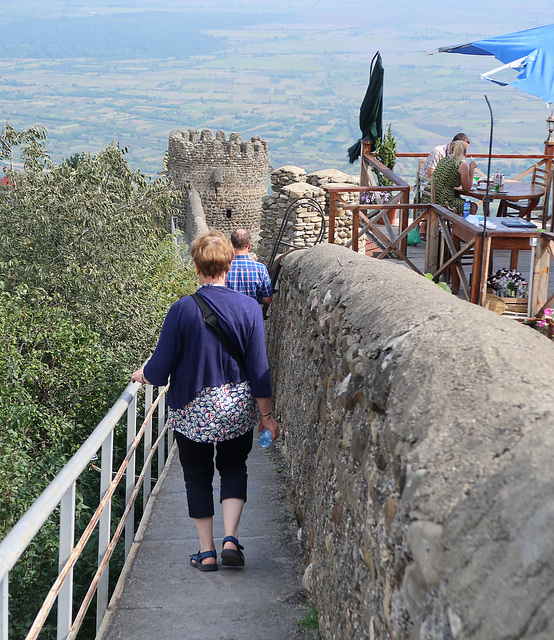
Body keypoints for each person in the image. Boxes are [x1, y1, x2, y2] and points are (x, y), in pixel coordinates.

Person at [131, 231, 280, 572]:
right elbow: (259, 367)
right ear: (229, 265)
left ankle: (207, 552)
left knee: (197, 477)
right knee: (233, 467)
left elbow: (160, 366)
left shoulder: (181, 310)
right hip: (236, 407)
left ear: (196, 267)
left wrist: (144, 374)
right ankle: (231, 539)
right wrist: (266, 415)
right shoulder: (249, 308)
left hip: (192, 410)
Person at [422, 139, 478, 216]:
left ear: (452, 150)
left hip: (428, 198)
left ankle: (452, 227)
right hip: (443, 202)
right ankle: (460, 227)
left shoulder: (444, 160)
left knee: (459, 199)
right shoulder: (461, 165)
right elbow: (467, 188)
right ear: (465, 153)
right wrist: (471, 169)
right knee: (473, 207)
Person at [226, 228, 273, 305]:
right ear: (249, 246)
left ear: (231, 245)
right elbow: (267, 299)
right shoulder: (260, 269)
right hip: (251, 315)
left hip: (228, 315)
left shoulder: (221, 268)